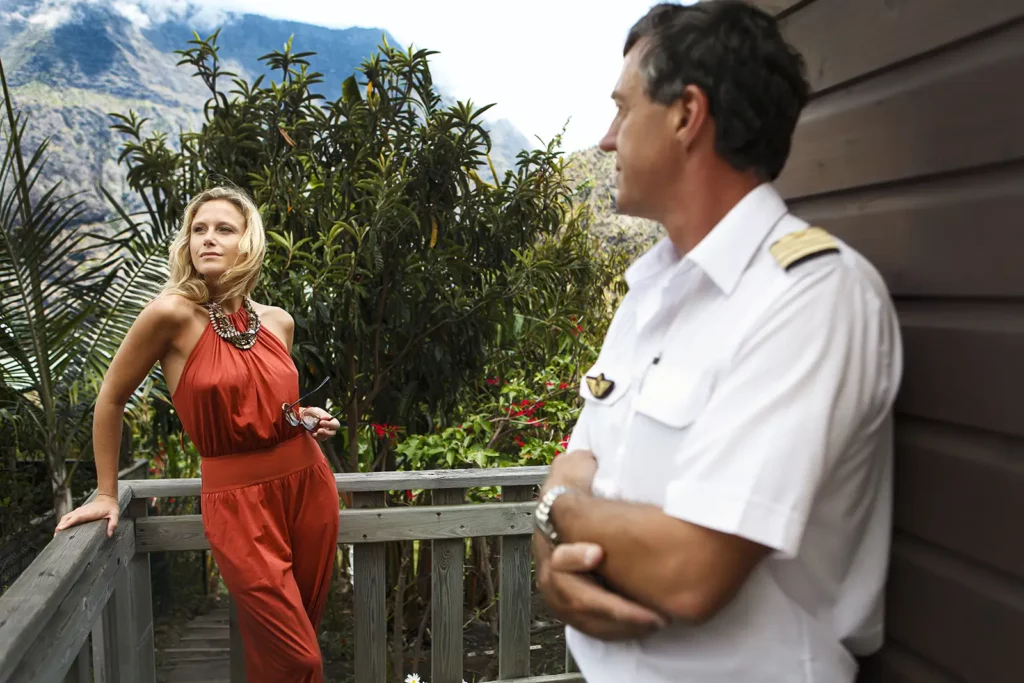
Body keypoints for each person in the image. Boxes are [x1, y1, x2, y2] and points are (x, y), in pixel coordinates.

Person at [532, 2, 903, 682]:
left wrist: (558, 511)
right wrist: (555, 549)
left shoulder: (810, 297)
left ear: (686, 115)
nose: (607, 139)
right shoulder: (648, 296)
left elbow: (689, 570)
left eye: (624, 108)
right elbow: (576, 457)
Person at [55, 186, 342, 683]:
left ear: (247, 243)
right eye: (198, 229)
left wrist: (305, 418)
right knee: (299, 659)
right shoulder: (169, 315)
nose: (208, 238)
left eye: (224, 229)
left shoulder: (278, 322)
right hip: (236, 503)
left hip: (308, 485)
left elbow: (269, 406)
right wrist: (106, 492)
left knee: (291, 649)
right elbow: (110, 399)